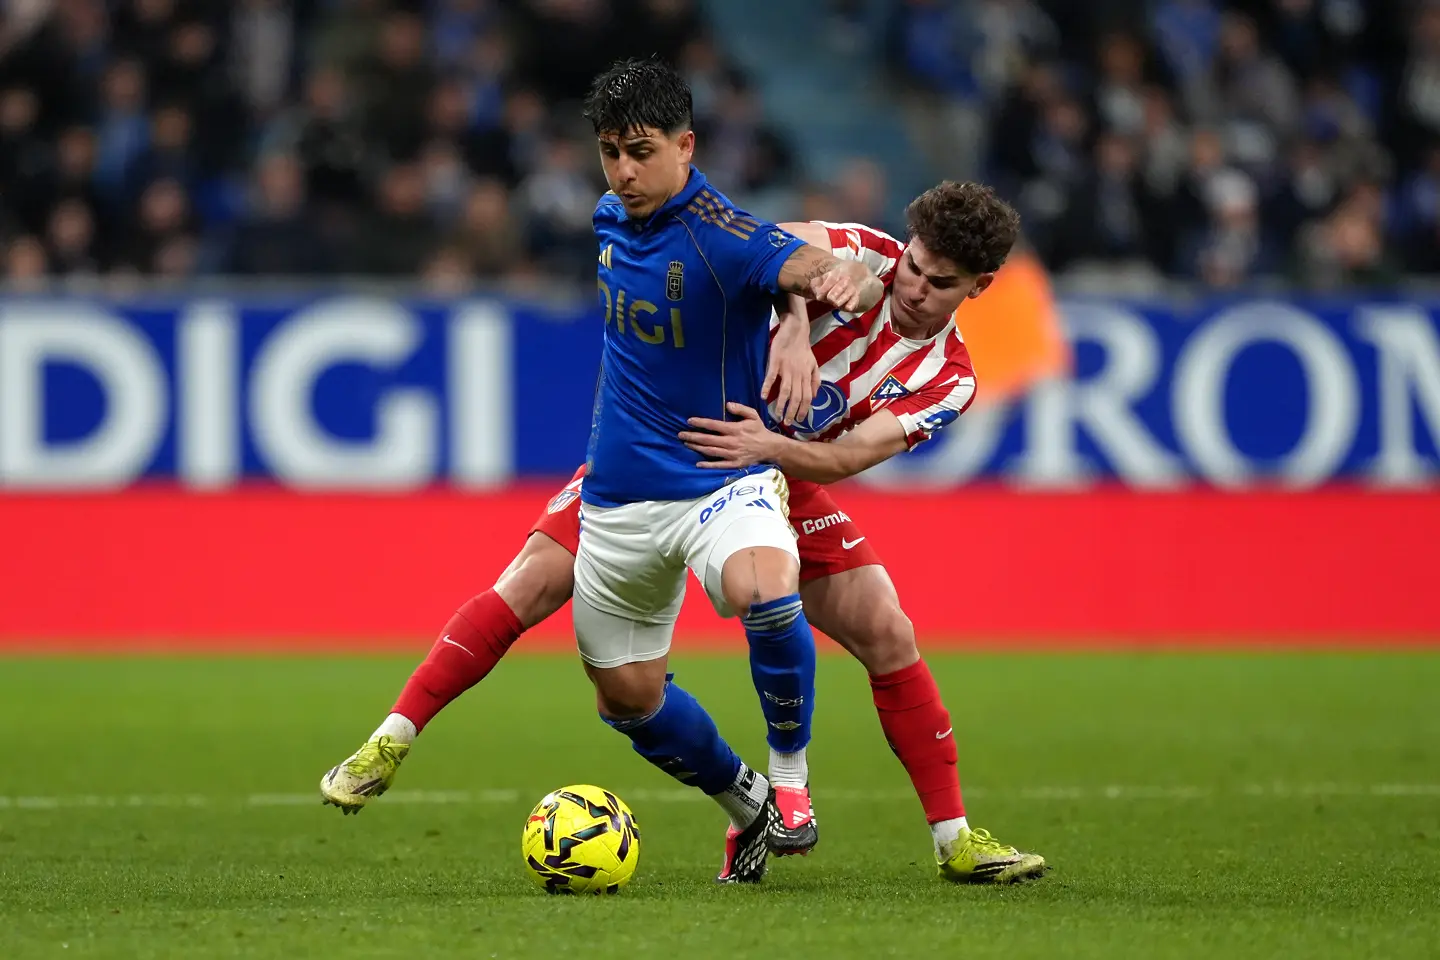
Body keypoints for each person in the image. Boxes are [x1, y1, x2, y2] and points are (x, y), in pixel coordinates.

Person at [322, 179, 1049, 884]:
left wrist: (770, 449)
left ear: (979, 287)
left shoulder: (948, 379)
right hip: (682, 437)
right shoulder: (862, 253)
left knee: (888, 632)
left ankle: (953, 841)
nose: (914, 286)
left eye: (939, 282)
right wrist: (795, 328)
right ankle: (390, 739)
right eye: (915, 265)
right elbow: (770, 250)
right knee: (533, 586)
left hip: (778, 466)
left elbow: (853, 455)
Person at [324, 58, 885, 885]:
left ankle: (793, 784)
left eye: (642, 151)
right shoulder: (611, 214)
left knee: (767, 587)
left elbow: (806, 266)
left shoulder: (724, 233)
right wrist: (792, 313)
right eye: (611, 152)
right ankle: (751, 804)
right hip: (618, 492)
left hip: (716, 476)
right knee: (623, 694)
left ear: (687, 146)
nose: (624, 171)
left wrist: (840, 287)